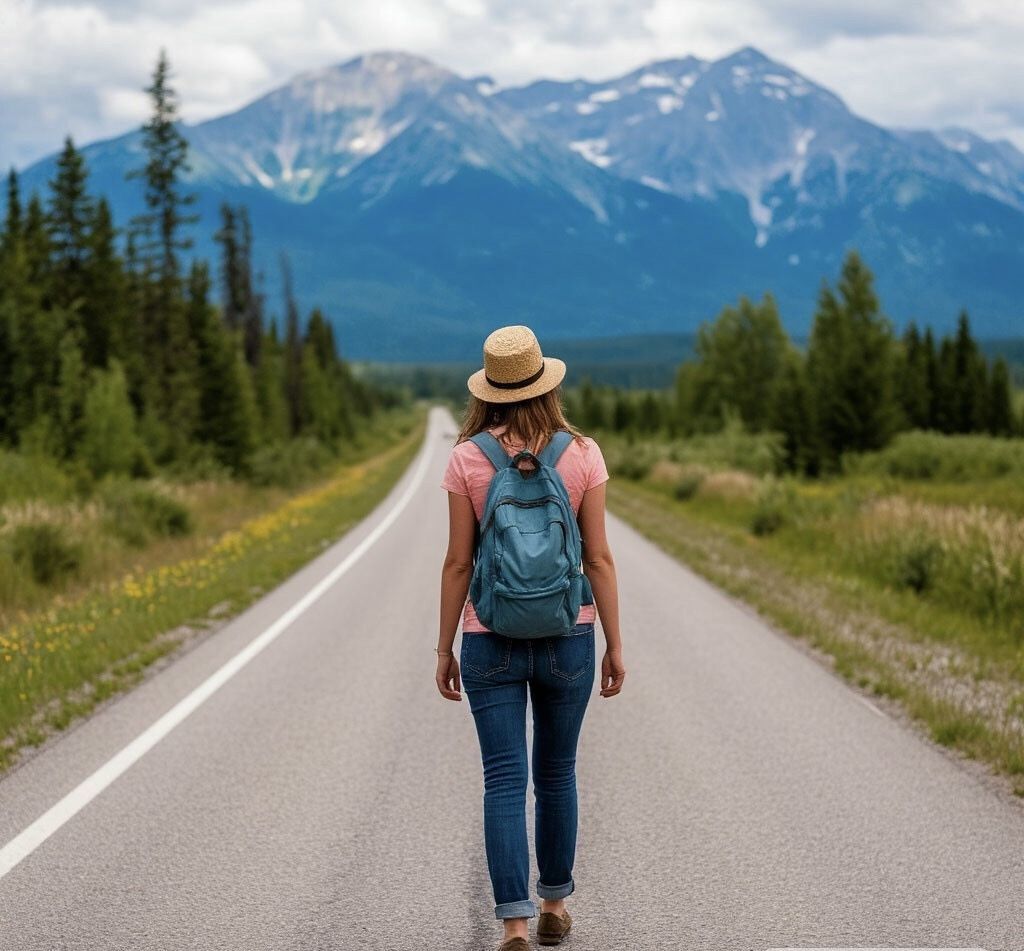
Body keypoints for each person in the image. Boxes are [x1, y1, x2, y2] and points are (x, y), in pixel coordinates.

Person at [436, 324, 626, 951]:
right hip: (569, 633)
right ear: (547, 383)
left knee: (503, 779)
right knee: (558, 773)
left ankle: (513, 925)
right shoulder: (583, 454)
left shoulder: (468, 459)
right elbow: (597, 560)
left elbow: (459, 564)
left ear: (488, 389)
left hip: (488, 636)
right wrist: (615, 644)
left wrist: (444, 648)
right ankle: (553, 904)